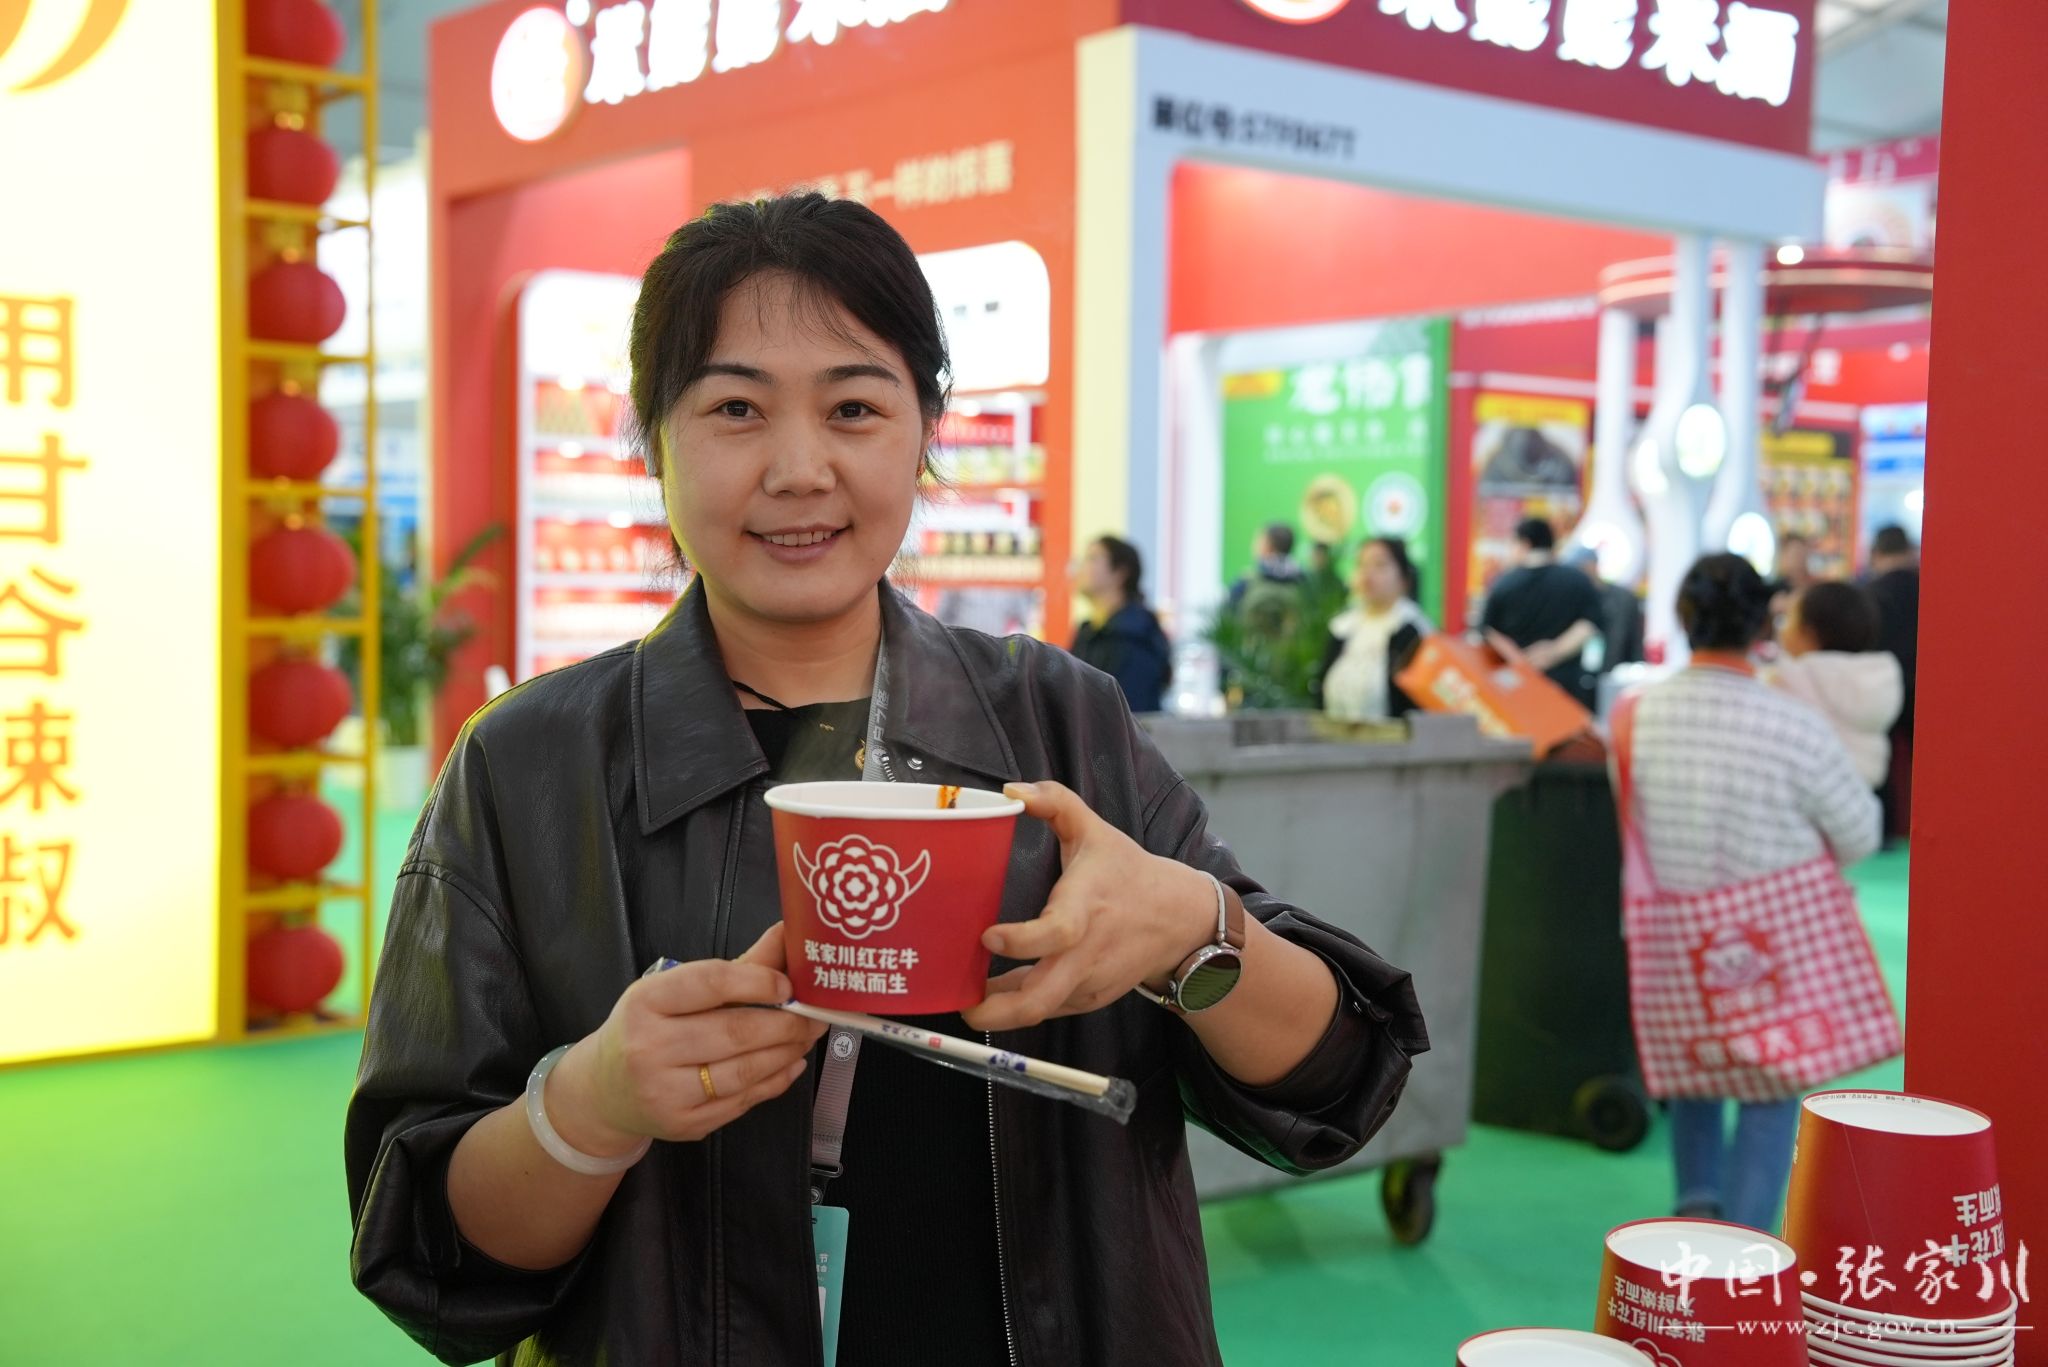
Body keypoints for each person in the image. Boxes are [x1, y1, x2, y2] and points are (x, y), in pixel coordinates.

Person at [345, 194, 1426, 1367]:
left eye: (853, 407)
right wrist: (589, 1105)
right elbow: (435, 1252)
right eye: (735, 408)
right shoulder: (526, 764)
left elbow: (1335, 1077)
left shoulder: (1060, 719)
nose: (799, 469)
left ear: (923, 431)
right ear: (652, 439)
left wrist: (1191, 928)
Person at [1617, 555, 1882, 1232]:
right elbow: (1860, 833)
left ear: (1683, 618)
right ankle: (1746, 1242)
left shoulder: (1634, 717)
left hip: (1672, 931)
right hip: (1777, 938)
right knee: (1772, 1087)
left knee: (1694, 1069)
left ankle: (1695, 1212)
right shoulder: (1793, 722)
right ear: (1764, 622)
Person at [1765, 581, 1903, 789]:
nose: (1782, 630)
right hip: (1871, 791)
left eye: (1789, 619)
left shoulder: (1792, 681)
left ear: (1809, 633)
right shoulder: (1878, 680)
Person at [1479, 517, 1604, 708]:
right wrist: (1555, 651)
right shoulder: (1578, 580)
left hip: (1518, 687)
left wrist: (1522, 661)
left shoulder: (1504, 584)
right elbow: (1590, 624)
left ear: (1524, 544)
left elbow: (1488, 631)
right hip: (1567, 687)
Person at [1319, 538, 1431, 722]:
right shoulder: (1342, 628)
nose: (1368, 573)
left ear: (1404, 579)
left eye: (1380, 565)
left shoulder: (1411, 631)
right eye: (1361, 564)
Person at [1071, 534, 1173, 714]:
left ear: (1120, 573)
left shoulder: (1137, 636)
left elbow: (1129, 710)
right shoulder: (1089, 633)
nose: (1080, 568)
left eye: (1092, 559)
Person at [1866, 525, 1920, 842]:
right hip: (1922, 686)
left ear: (1876, 553)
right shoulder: (1927, 587)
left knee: (1881, 760)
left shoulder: (1871, 592)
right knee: (1923, 761)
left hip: (1880, 683)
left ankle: (1883, 831)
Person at [1565, 545, 1645, 677]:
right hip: (1585, 676)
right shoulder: (1577, 599)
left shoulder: (1622, 598)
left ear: (1591, 566)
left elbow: (1633, 640)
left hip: (1619, 673)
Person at [1228, 522, 1307, 607]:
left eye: (1259, 541)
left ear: (1267, 545)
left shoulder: (1247, 580)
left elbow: (1228, 610)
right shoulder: (1303, 579)